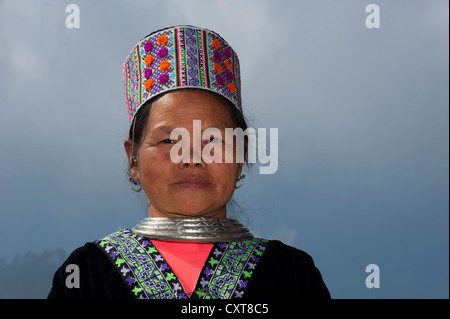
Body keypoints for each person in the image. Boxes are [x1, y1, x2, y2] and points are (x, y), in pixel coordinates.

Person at [48, 25, 330, 299]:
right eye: (168, 141)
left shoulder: (292, 274)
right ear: (133, 159)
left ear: (240, 157)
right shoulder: (87, 273)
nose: (193, 157)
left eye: (214, 141)